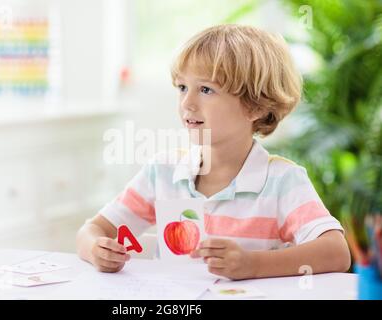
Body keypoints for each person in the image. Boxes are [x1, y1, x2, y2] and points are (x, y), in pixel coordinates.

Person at [76, 24, 351, 280]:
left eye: (206, 89)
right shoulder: (162, 171)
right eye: (182, 87)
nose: (187, 102)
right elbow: (92, 230)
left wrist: (253, 265)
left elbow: (337, 253)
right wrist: (96, 250)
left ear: (255, 106)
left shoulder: (283, 181)